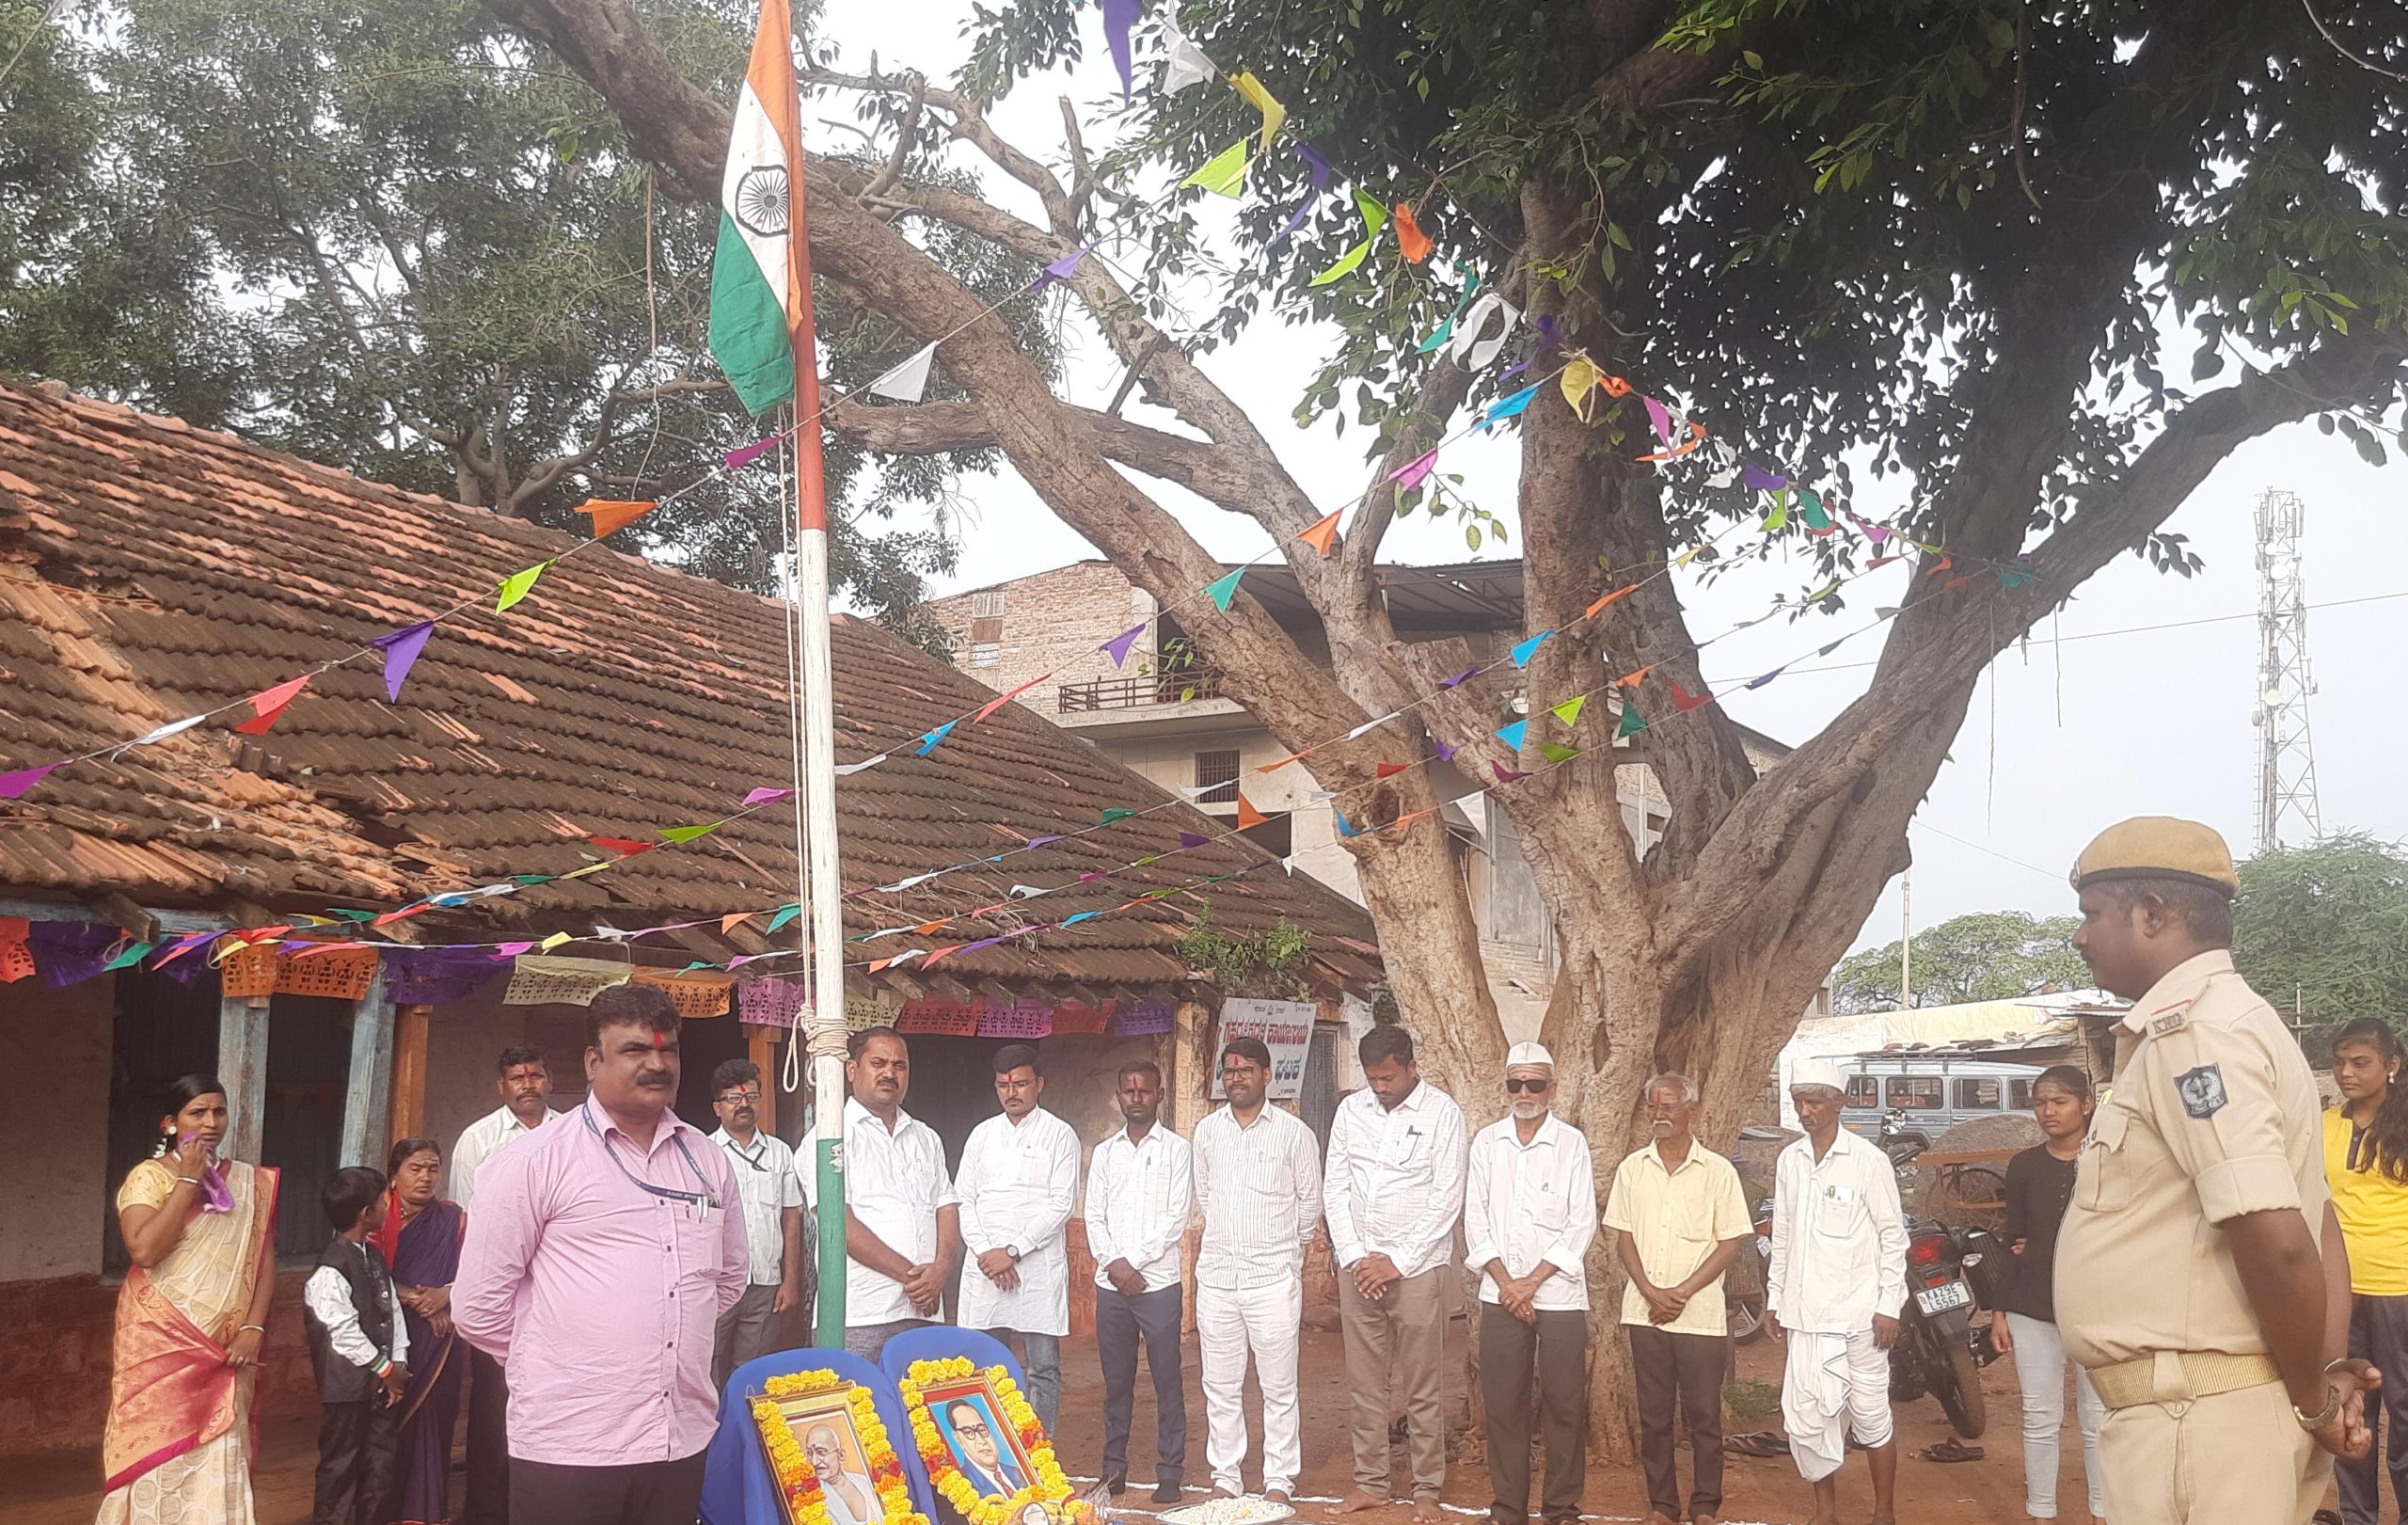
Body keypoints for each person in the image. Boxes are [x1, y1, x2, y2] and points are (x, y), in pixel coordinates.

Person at [2055, 817, 2379, 1524]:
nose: (2080, 937)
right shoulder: (2244, 1022)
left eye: (2090, 914)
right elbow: (2319, 1221)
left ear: (2151, 914)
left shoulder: (2194, 1031)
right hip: (2206, 1414)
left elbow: (2280, 1237)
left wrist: (2316, 1398)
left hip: (2195, 1421)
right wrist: (2319, 1376)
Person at [453, 983, 749, 1525]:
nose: (657, 1064)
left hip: (677, 1439)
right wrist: (565, 1360)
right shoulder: (530, 1162)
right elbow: (477, 1308)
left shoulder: (708, 1161)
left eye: (669, 1051)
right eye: (636, 1050)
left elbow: (726, 1280)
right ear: (594, 1061)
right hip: (571, 1443)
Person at [97, 1074, 280, 1525]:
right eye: (197, 1112)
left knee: (218, 1452)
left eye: (219, 1111)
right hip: (159, 1342)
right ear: (170, 1124)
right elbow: (144, 1250)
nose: (211, 1122)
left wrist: (254, 1328)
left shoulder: (249, 1183)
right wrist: (186, 1182)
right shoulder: (148, 1177)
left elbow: (262, 1260)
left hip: (226, 1348)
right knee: (153, 1451)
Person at [1325, 1025, 1467, 1522]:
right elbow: (1335, 1188)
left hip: (1417, 1270)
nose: (1380, 1087)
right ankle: (1371, 1484)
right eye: (1372, 1079)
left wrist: (1396, 1262)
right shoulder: (1351, 1110)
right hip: (1359, 1268)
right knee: (1365, 1385)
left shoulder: (1442, 1113)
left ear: (1410, 1066)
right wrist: (1358, 1257)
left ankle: (1427, 1488)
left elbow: (1445, 1199)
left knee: (1422, 1385)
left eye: (1388, 1077)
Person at [1603, 1072, 1752, 1525]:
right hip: (1646, 1312)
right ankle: (1662, 1506)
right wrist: (1650, 1290)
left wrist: (1683, 1292)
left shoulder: (1718, 1172)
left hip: (1700, 1315)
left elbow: (1731, 1242)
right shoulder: (1633, 1169)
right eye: (1654, 1106)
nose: (1660, 1114)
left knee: (1704, 1417)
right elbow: (1622, 1235)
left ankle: (1705, 1505)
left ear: (1692, 1110)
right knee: (1655, 1416)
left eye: (1669, 1106)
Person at [1768, 1056, 1906, 1525]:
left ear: (1839, 1103)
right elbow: (1782, 1237)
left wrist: (1889, 1307)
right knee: (1809, 1420)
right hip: (1805, 1316)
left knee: (1870, 1416)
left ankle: (1883, 1513)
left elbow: (1894, 1238)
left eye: (1815, 1102)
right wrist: (1774, 1300)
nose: (1806, 1111)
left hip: (1860, 1318)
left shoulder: (1869, 1161)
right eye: (1798, 1102)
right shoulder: (1791, 1160)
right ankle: (1826, 1513)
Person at [1464, 1042, 1595, 1525]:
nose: (1524, 1092)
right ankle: (1508, 1508)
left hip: (1559, 1296)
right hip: (1499, 1295)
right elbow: (1474, 1220)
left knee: (1564, 1404)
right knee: (1504, 1406)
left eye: (1534, 1084)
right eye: (1515, 1083)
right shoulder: (1487, 1142)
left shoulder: (1571, 1144)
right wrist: (1508, 1285)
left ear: (1552, 1089)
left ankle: (1561, 1507)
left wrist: (1530, 1283)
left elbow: (1582, 1224)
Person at [1191, 1036, 1323, 1503]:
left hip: (1272, 1280)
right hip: (1219, 1278)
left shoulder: (1294, 1133)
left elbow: (1310, 1204)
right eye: (1229, 1069)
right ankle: (1226, 1474)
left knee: (1278, 1385)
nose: (1237, 1076)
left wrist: (1288, 1254)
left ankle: (1279, 1478)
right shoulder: (1207, 1132)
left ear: (1268, 1075)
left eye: (1247, 1068)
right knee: (1220, 1385)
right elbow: (1205, 1196)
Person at [1988, 1066, 2109, 1524]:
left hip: (2098, 1305)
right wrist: (1999, 1309)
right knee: (2039, 1416)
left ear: (2086, 1103)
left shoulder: (2110, 1160)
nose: (2048, 1111)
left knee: (2099, 1418)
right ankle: (2042, 1513)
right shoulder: (2024, 1165)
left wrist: (2049, 1245)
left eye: (2059, 1101)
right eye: (2040, 1102)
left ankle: (2102, 1512)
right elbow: (2012, 1238)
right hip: (2031, 1305)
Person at [800, 1026, 959, 1360]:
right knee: (861, 1410)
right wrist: (915, 1279)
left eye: (899, 1066)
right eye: (879, 1063)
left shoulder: (925, 1136)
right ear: (852, 1069)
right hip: (860, 1313)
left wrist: (942, 1268)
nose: (889, 1072)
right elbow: (838, 1224)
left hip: (924, 1313)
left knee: (916, 1411)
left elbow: (945, 1206)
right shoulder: (829, 1135)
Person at [449, 1044, 553, 1525]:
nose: (526, 1083)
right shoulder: (479, 1139)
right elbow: (465, 1225)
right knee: (493, 1410)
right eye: (516, 1077)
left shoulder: (573, 1132)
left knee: (553, 1408)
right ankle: (487, 1512)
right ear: (501, 1086)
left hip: (557, 1298)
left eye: (534, 1075)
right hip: (502, 1300)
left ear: (547, 1081)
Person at [1084, 1058, 1193, 1504]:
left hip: (1158, 1284)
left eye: (1144, 1091)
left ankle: (1170, 1471)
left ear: (1159, 1095)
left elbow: (1176, 1217)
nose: (1136, 1098)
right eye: (1128, 1091)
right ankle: (1114, 1471)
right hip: (1112, 1288)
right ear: (1119, 1095)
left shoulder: (1177, 1150)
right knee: (1117, 1383)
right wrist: (1114, 1264)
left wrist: (1134, 1263)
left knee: (1167, 1379)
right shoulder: (1105, 1152)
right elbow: (1093, 1215)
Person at [956, 1043, 1079, 1436]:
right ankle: (991, 1450)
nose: (1012, 1092)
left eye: (1021, 1083)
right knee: (984, 1364)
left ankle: (1038, 1454)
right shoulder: (981, 1135)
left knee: (1041, 1368)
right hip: (985, 1268)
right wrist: (987, 1254)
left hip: (1034, 1269)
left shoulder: (1060, 1135)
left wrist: (1013, 1252)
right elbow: (964, 1199)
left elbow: (1061, 1203)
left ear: (1039, 1084)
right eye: (1003, 1085)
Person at [2327, 1016, 2408, 1525]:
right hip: (2338, 1290)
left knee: (2404, 1414)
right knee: (2347, 1409)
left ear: (2392, 1066)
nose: (2346, 1073)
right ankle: (2357, 1518)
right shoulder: (2324, 1124)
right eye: (2340, 1063)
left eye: (2360, 1063)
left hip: (2399, 1287)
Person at [305, 1165, 407, 1525]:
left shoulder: (373, 1258)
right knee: (340, 1466)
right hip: (347, 1390)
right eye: (383, 1201)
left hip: (380, 1387)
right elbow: (343, 1331)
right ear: (367, 1214)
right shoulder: (331, 1268)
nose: (386, 1205)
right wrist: (386, 1369)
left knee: (379, 1465)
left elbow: (391, 1309)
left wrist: (399, 1362)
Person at [376, 1136, 467, 1525]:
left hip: (441, 1341)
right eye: (415, 1169)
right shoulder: (377, 1216)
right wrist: (419, 1301)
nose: (425, 1177)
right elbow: (369, 1273)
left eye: (432, 1169)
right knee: (388, 1426)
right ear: (394, 1176)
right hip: (390, 1336)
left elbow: (478, 1269)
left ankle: (426, 1511)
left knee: (436, 1419)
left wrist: (446, 1296)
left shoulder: (453, 1219)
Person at [707, 1057, 804, 1390]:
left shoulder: (780, 1153)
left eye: (751, 1096)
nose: (744, 1104)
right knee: (709, 1367)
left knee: (753, 1372)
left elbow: (792, 1219)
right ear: (717, 1107)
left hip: (766, 1285)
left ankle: (746, 1436)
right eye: (733, 1098)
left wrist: (791, 1281)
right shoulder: (703, 1153)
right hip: (716, 1284)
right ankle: (711, 1441)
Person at [944, 1397, 1025, 1498]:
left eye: (982, 1429)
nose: (981, 1441)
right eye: (968, 1432)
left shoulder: (1020, 1473)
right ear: (957, 1438)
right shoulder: (963, 1486)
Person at [805, 1422, 879, 1525]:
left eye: (821, 1452)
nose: (814, 1461)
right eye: (809, 1453)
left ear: (841, 1455)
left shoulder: (866, 1483)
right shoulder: (811, 1501)